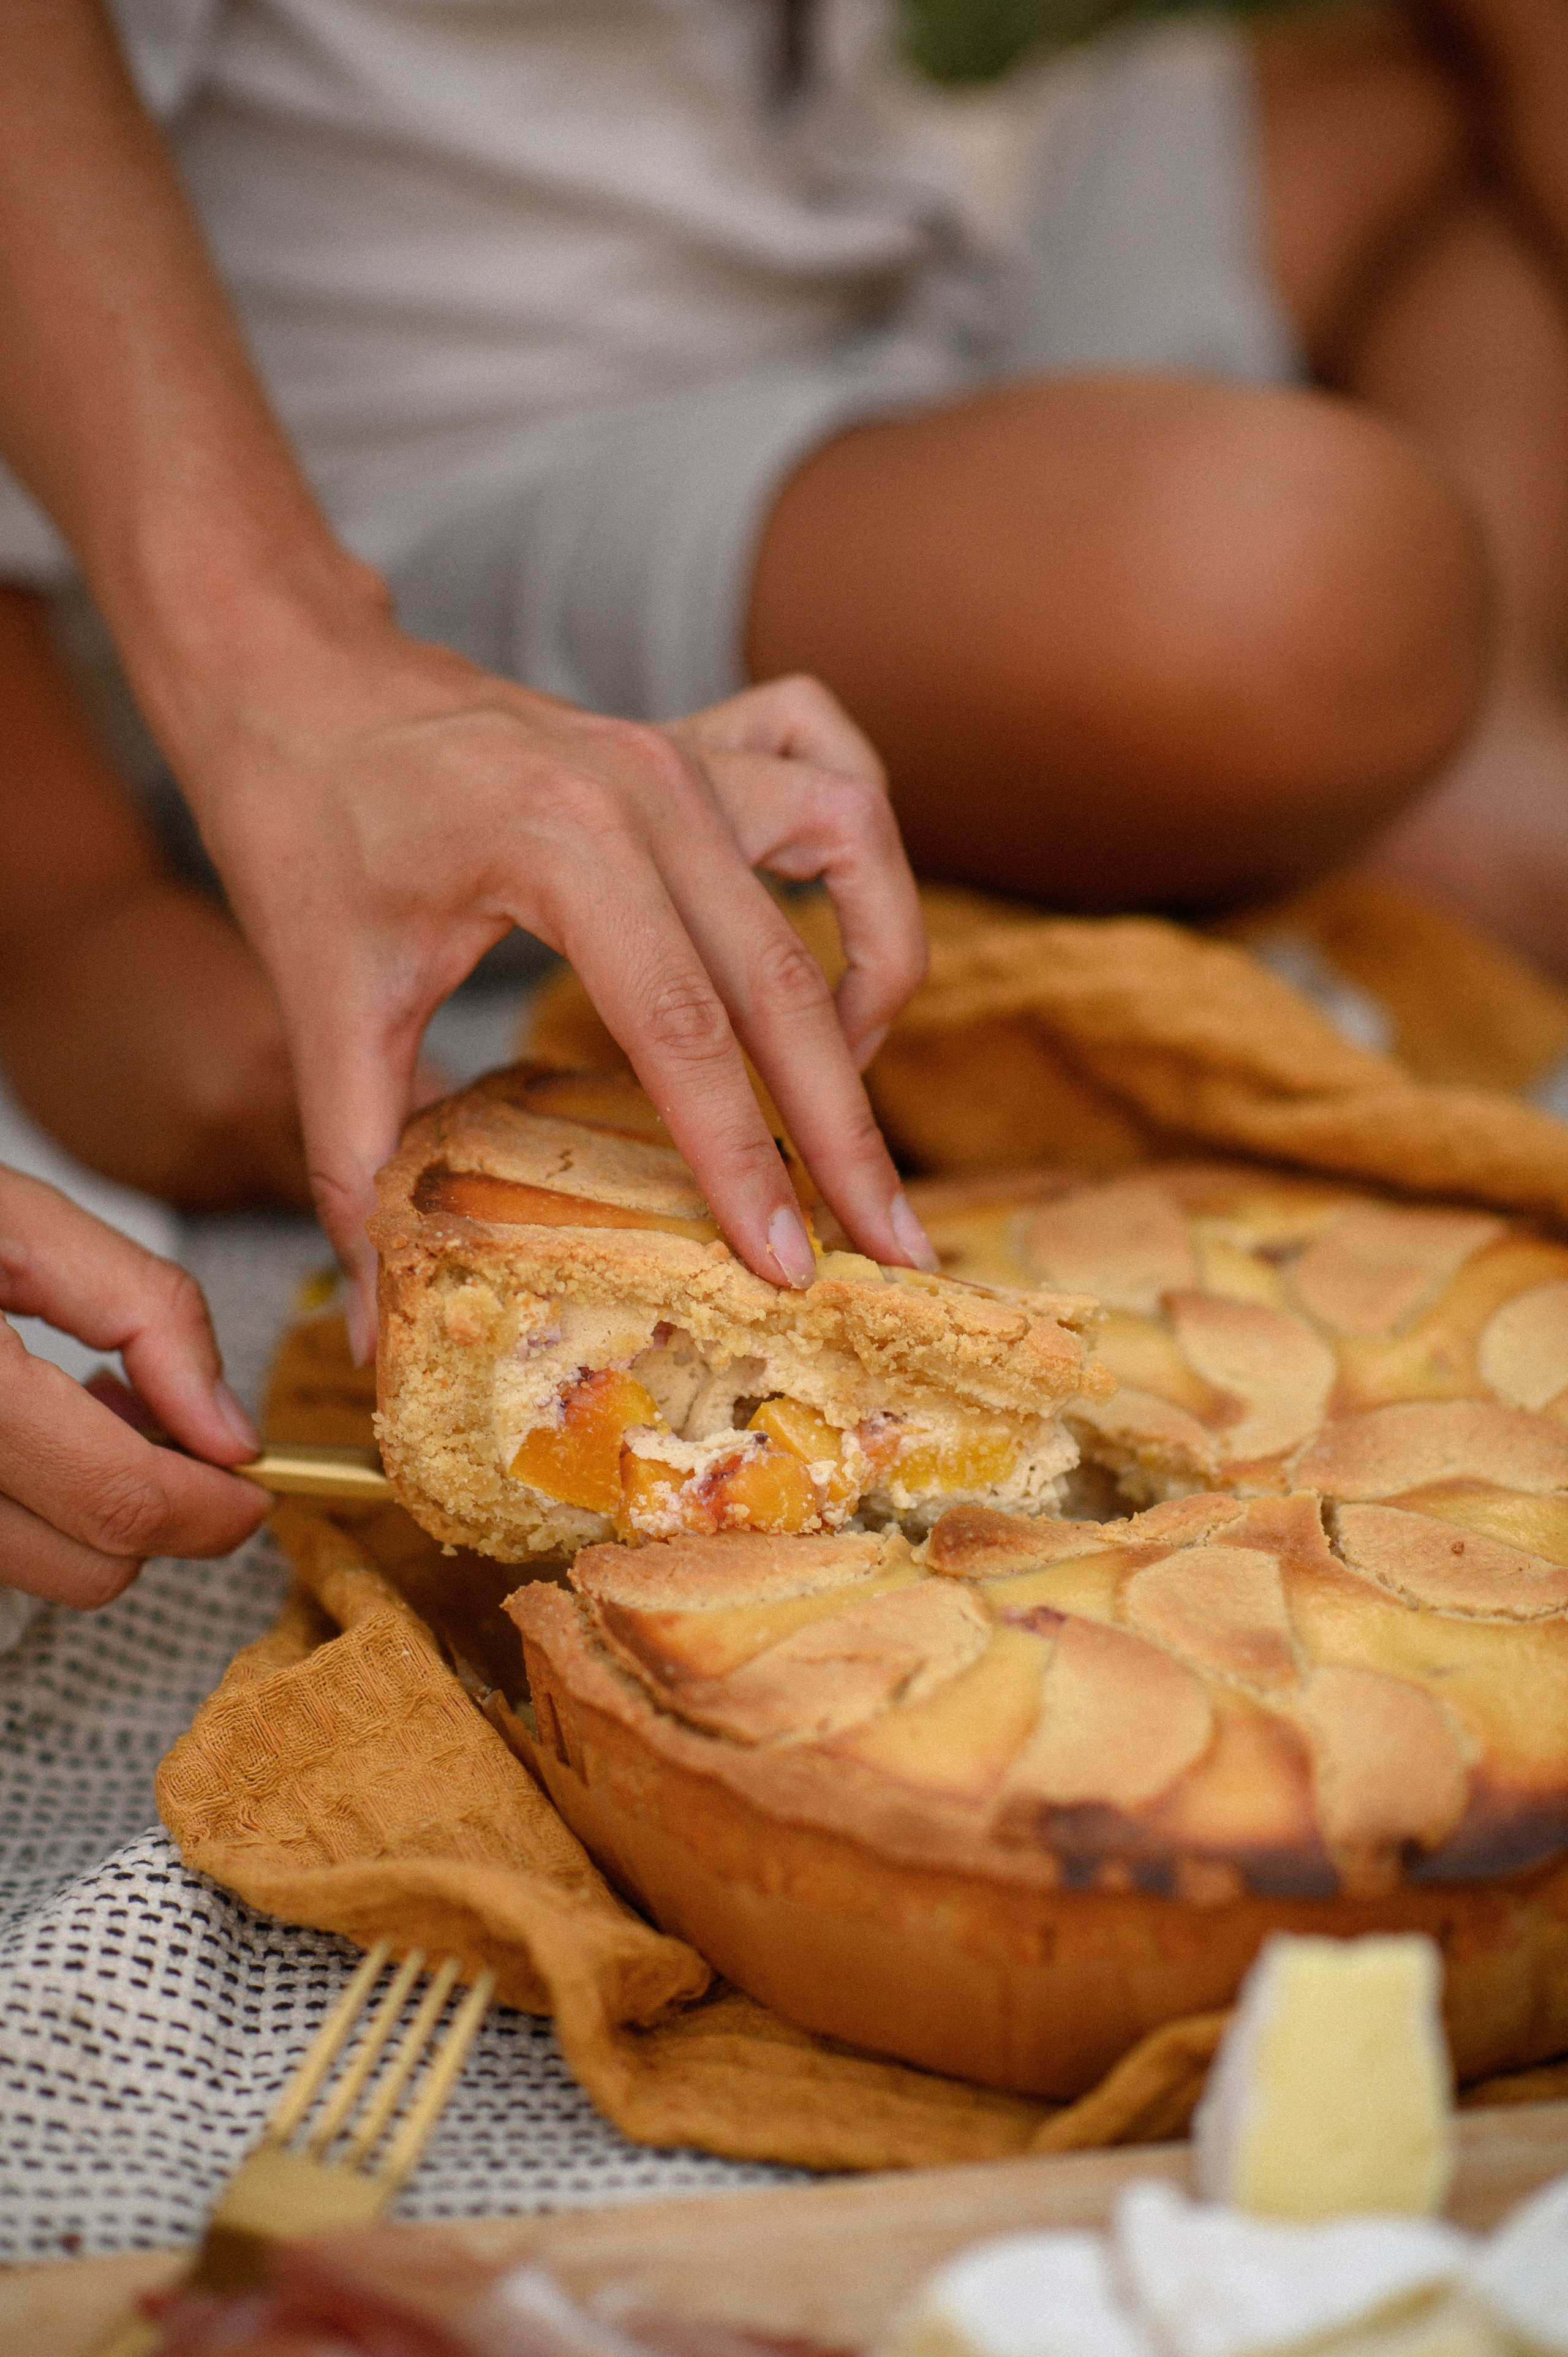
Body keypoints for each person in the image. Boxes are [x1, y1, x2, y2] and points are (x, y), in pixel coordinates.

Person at [0, 0, 1565, 1590]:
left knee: (1434, 109)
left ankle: (1482, 742)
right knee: (1304, 585)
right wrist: (85, 887)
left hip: (892, 242)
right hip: (451, 448)